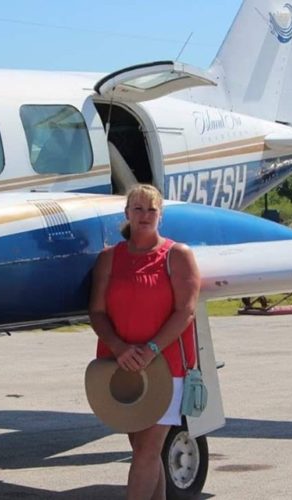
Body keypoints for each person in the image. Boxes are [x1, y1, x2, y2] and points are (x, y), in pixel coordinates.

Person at [89, 184, 200, 500]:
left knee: (147, 451)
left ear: (160, 215)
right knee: (142, 449)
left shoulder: (178, 255)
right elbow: (97, 312)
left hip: (167, 366)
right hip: (120, 366)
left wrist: (150, 349)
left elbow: (186, 311)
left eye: (151, 209)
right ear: (126, 214)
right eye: (138, 209)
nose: (144, 215)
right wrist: (121, 349)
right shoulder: (109, 259)